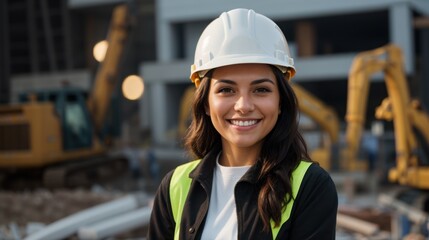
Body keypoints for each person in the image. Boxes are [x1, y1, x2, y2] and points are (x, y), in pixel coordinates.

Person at [147, 8, 338, 240]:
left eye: (261, 90)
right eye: (226, 90)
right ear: (206, 103)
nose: (243, 105)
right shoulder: (174, 187)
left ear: (280, 102)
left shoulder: (311, 186)